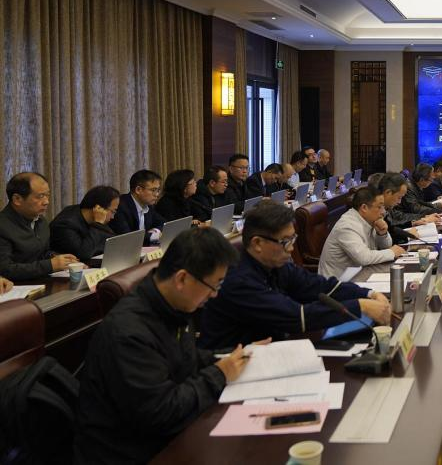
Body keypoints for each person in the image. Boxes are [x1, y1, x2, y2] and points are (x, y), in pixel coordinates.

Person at [74, 227, 249, 465]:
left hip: (164, 437)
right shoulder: (128, 332)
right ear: (182, 279)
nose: (214, 295)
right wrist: (220, 374)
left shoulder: (172, 304)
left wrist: (234, 357)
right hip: (131, 452)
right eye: (214, 286)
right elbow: (161, 413)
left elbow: (183, 360)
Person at [198, 200, 392, 349]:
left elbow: (318, 286)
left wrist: (368, 294)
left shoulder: (276, 264)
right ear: (257, 243)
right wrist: (360, 306)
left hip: (272, 350)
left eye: (293, 239)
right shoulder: (238, 280)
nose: (291, 248)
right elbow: (295, 316)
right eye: (285, 241)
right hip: (232, 368)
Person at [0, 173, 76, 279]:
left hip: (41, 282)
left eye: (47, 195)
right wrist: (50, 265)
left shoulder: (41, 221)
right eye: (40, 196)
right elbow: (5, 270)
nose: (46, 202)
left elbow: (41, 253)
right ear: (17, 199)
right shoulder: (3, 226)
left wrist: (56, 258)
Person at [319, 187, 406, 277]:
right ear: (364, 208)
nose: (383, 212)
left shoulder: (369, 219)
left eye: (383, 207)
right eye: (379, 207)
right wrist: (391, 252)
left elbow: (386, 246)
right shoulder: (347, 226)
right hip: (339, 281)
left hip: (360, 274)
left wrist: (382, 234)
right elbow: (363, 258)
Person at [50, 185, 120, 258]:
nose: (112, 217)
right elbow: (84, 253)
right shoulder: (65, 224)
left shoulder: (93, 218)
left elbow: (113, 242)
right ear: (99, 208)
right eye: (113, 212)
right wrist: (98, 224)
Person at [110, 170, 165, 246]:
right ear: (138, 190)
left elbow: (163, 223)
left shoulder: (148, 205)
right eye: (153, 190)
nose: (157, 194)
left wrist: (156, 230)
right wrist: (152, 236)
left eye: (158, 190)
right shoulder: (120, 206)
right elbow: (127, 237)